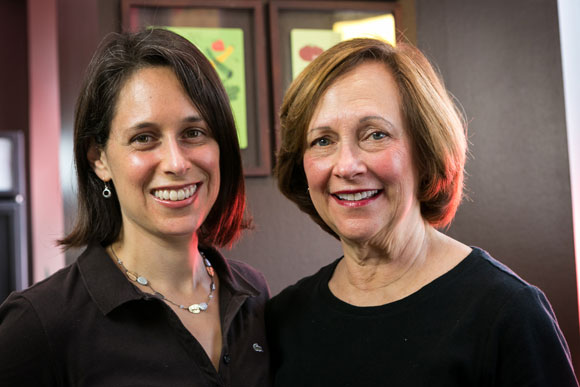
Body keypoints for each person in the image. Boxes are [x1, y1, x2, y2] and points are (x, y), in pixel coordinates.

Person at [267, 38, 578, 386]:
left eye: (374, 134)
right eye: (322, 140)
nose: (347, 166)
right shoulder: (283, 319)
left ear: (425, 150)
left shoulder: (507, 312)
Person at [0, 29, 271, 386]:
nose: (176, 162)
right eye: (144, 138)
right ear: (99, 159)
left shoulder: (252, 292)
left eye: (193, 133)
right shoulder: (37, 325)